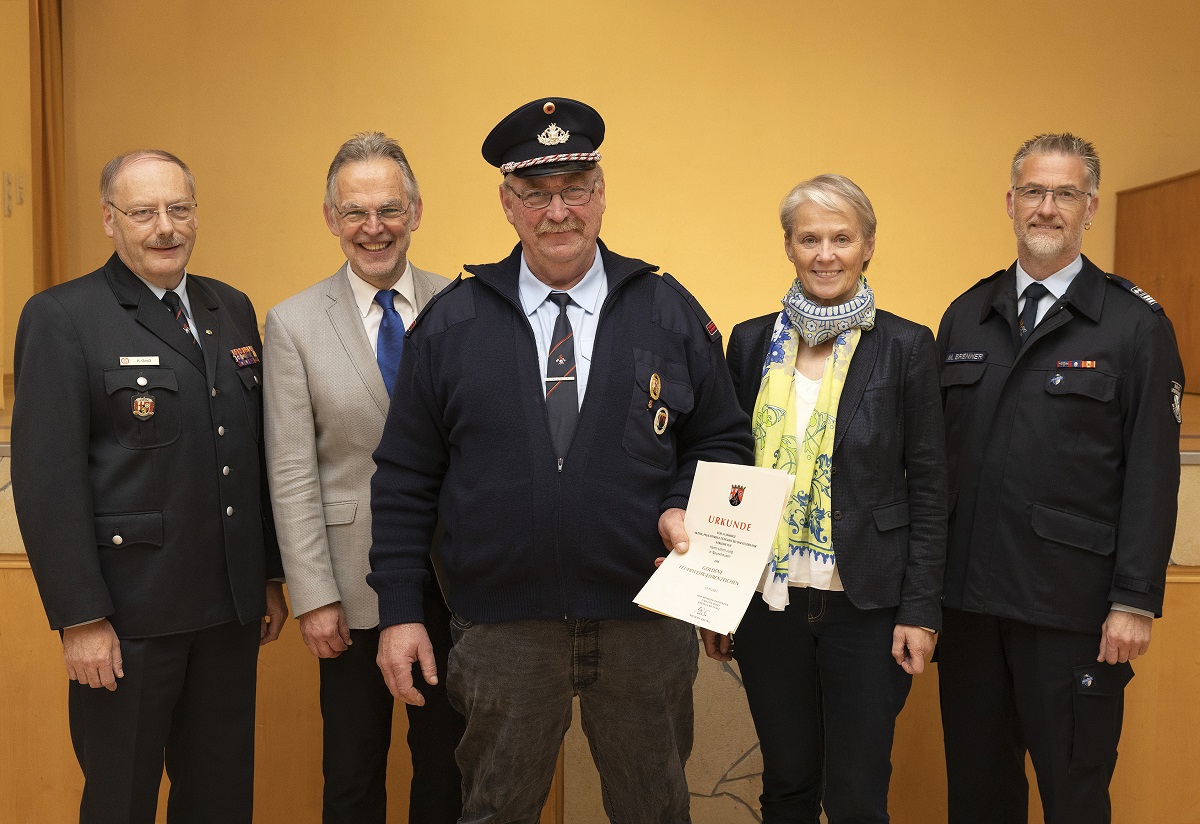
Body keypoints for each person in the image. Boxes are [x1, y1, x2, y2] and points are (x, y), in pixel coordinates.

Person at [367, 97, 753, 824]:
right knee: (494, 810)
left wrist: (682, 509)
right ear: (507, 204)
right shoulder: (453, 321)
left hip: (645, 620)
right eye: (535, 195)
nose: (558, 212)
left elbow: (720, 442)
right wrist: (397, 610)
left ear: (602, 195)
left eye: (575, 190)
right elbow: (405, 478)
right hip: (501, 630)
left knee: (655, 810)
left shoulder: (666, 309)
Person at [10, 149, 287, 824]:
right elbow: (47, 481)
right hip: (128, 622)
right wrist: (81, 618)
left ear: (195, 214)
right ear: (110, 220)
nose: (165, 227)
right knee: (120, 801)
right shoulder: (63, 316)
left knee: (220, 800)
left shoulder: (232, 307)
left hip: (227, 614)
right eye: (143, 213)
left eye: (179, 209)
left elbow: (251, 455)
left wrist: (269, 579)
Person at [936, 133, 1185, 823]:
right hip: (971, 609)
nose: (1048, 208)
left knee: (1074, 799)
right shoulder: (968, 314)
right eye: (1034, 193)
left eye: (1065, 194)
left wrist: (1135, 599)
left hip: (1072, 612)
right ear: (1010, 203)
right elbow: (935, 467)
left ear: (1090, 208)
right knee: (979, 799)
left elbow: (1152, 475)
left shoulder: (1134, 326)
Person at [704, 174, 947, 823]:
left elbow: (929, 488)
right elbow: (733, 473)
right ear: (788, 245)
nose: (825, 253)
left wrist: (921, 612)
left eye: (842, 237)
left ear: (868, 245)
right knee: (786, 783)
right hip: (769, 605)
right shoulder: (750, 342)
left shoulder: (905, 346)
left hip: (868, 607)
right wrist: (719, 597)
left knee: (857, 793)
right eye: (809, 237)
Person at [263, 132, 463, 823]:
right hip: (349, 588)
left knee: (449, 765)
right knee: (353, 772)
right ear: (330, 218)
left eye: (388, 209)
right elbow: (291, 471)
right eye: (354, 212)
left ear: (415, 211)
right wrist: (313, 594)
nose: (372, 228)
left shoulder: (463, 305)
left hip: (456, 580)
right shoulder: (292, 324)